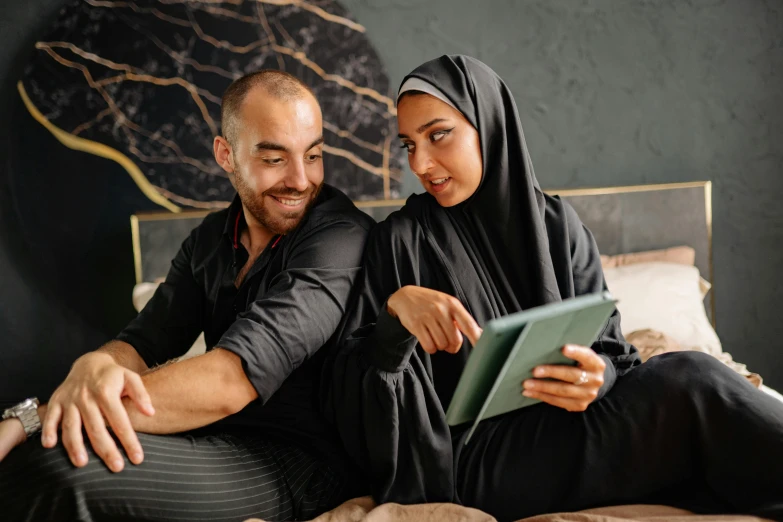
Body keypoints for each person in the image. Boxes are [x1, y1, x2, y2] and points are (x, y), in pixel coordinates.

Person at [323, 55, 783, 522]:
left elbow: (613, 353)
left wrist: (596, 377)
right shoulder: (399, 241)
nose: (419, 163)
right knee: (690, 379)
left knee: (687, 393)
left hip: (569, 428)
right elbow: (349, 401)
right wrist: (394, 321)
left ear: (490, 124)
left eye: (438, 135)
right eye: (408, 144)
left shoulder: (557, 226)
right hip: (470, 460)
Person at [0, 70, 374, 522]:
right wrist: (95, 366)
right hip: (218, 439)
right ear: (226, 154)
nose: (301, 180)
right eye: (275, 159)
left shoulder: (341, 238)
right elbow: (143, 342)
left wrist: (43, 417)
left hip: (302, 466)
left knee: (61, 471)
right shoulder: (210, 238)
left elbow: (230, 381)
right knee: (28, 463)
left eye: (312, 155)